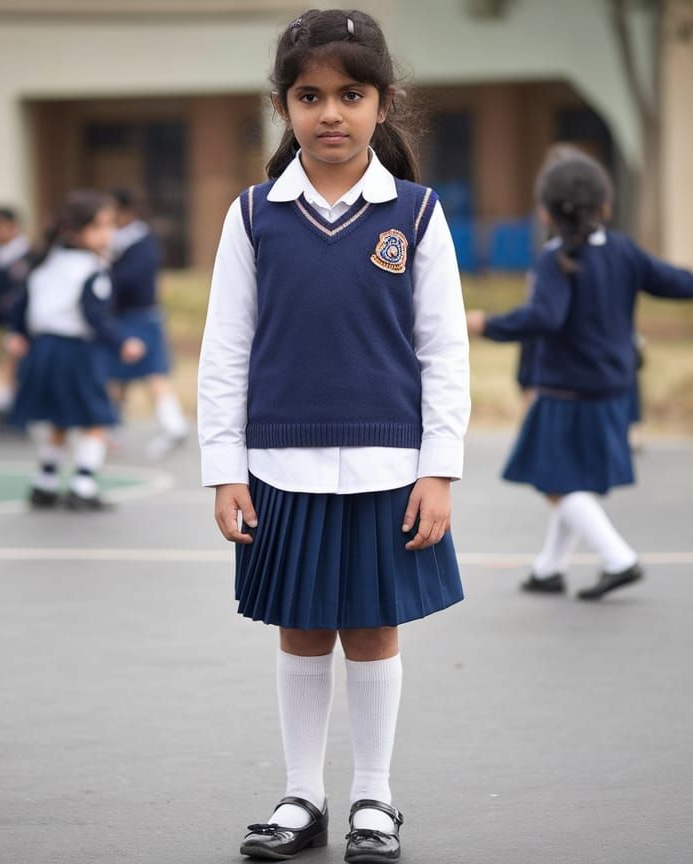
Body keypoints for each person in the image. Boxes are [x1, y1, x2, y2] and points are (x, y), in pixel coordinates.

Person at [198, 10, 470, 862]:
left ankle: (374, 799)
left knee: (375, 630)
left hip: (391, 465)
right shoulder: (252, 216)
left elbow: (445, 351)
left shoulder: (417, 215)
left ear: (384, 102)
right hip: (279, 464)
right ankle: (302, 795)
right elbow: (224, 350)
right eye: (309, 96)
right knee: (303, 629)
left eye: (350, 95)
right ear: (283, 106)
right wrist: (224, 469)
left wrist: (440, 470)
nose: (330, 113)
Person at [467, 148, 693, 600]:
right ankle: (550, 568)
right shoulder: (622, 249)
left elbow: (544, 318)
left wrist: (487, 324)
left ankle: (618, 558)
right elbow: (664, 278)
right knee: (571, 479)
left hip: (566, 392)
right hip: (613, 389)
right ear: (604, 204)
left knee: (554, 482)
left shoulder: (554, 258)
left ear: (546, 211)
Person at [8, 190, 145, 511]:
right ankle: (83, 485)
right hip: (76, 352)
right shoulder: (91, 268)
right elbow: (95, 315)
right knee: (97, 419)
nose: (107, 233)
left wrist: (17, 332)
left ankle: (45, 481)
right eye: (99, 226)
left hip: (43, 350)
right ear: (75, 230)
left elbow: (23, 302)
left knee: (60, 419)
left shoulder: (47, 261)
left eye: (110, 225)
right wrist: (122, 342)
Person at [106, 188, 188, 458]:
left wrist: (106, 275)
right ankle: (111, 429)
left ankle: (172, 425)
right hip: (124, 316)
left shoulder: (141, 241)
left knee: (153, 373)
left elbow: (132, 280)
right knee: (116, 376)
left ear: (127, 211)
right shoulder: (118, 241)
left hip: (140, 315)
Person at [0, 205, 32, 437]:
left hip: (24, 322)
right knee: (15, 366)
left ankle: (10, 412)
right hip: (8, 321)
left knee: (17, 367)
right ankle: (8, 411)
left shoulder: (28, 256)